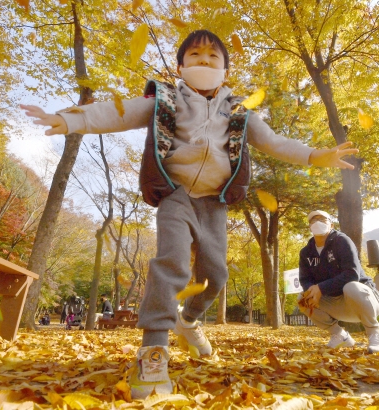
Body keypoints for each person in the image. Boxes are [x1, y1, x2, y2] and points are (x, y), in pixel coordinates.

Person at [21, 30, 358, 399]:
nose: (203, 62)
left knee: (216, 275)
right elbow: (116, 113)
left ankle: (190, 320)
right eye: (194, 56)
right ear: (181, 66)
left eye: (212, 57)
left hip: (214, 202)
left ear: (225, 69)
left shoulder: (239, 111)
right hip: (176, 195)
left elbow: (275, 142)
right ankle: (153, 351)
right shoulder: (166, 99)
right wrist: (70, 119)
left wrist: (314, 155)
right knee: (172, 263)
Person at [298, 210, 379, 354]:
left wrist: (321, 288)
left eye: (322, 220)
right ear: (309, 227)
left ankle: (374, 334)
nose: (318, 223)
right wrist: (312, 291)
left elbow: (352, 274)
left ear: (331, 224)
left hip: (365, 299)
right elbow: (305, 279)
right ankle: (340, 335)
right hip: (337, 305)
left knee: (351, 287)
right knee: (303, 298)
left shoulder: (342, 241)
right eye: (313, 221)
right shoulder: (306, 252)